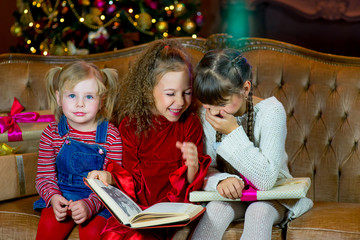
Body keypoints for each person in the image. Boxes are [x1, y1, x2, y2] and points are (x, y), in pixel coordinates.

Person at [190, 49, 313, 240]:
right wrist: (221, 181)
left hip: (273, 195)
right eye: (207, 105)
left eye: (222, 103)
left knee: (258, 211)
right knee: (215, 209)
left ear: (245, 89)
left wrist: (232, 132)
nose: (214, 112)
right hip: (234, 196)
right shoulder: (207, 115)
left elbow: (265, 180)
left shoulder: (271, 111)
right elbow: (208, 168)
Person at [99, 39, 211, 240]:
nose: (180, 102)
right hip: (140, 210)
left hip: (173, 210)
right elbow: (128, 180)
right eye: (170, 94)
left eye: (187, 93)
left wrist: (193, 166)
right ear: (148, 91)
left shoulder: (189, 124)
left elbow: (191, 185)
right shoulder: (132, 125)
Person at [33, 61, 123, 240]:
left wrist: (90, 205)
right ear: (59, 98)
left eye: (89, 97)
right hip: (62, 196)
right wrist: (53, 198)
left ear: (101, 100)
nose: (80, 104)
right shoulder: (52, 133)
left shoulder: (111, 136)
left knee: (93, 232)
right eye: (72, 95)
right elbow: (44, 177)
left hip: (99, 202)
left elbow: (115, 183)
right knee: (49, 226)